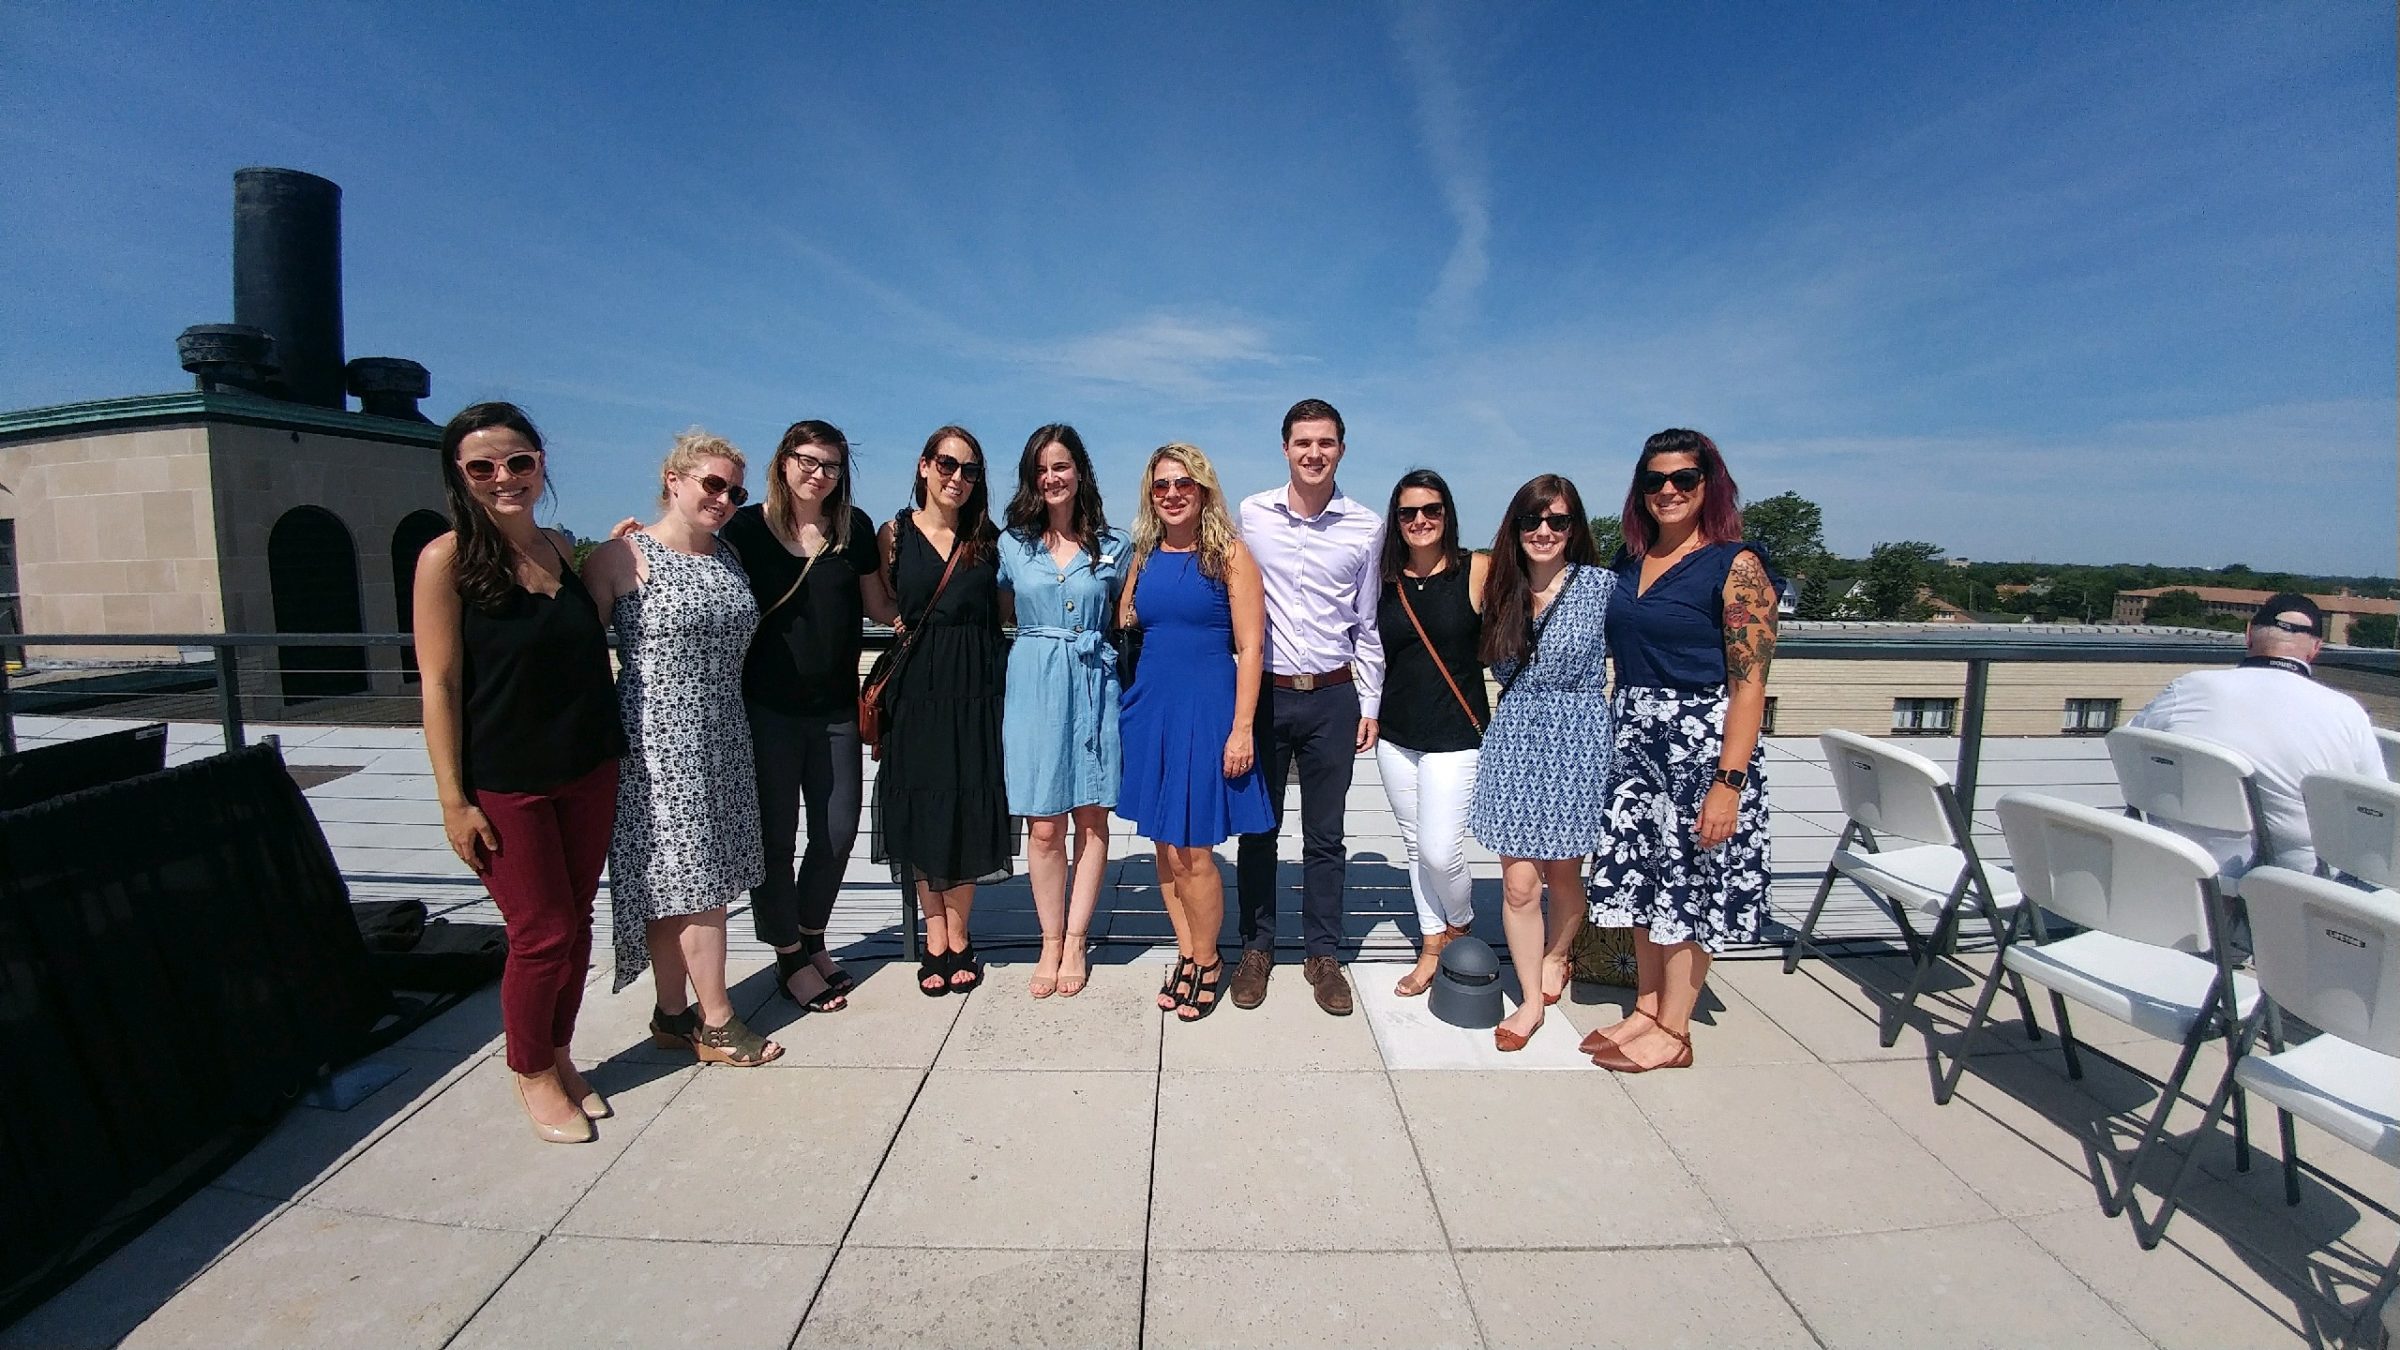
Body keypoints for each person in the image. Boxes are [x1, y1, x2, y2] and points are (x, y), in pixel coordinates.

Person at [415, 402, 625, 1143]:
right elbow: (438, 686)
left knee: (576, 927)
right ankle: (530, 1069)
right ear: (460, 477)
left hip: (589, 765)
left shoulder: (562, 549)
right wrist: (453, 801)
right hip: (507, 780)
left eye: (517, 462)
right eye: (482, 467)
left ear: (540, 465)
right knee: (539, 933)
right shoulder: (445, 561)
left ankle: (561, 1054)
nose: (503, 478)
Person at [582, 431, 779, 1067]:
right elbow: (570, 643)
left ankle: (672, 1013)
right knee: (693, 882)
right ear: (674, 480)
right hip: (657, 744)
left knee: (683, 880)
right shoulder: (620, 556)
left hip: (724, 732)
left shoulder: (729, 557)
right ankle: (716, 1019)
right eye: (712, 484)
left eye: (734, 490)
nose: (724, 498)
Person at [1584, 429, 1778, 1074]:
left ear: (1709, 485)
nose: (1668, 490)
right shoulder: (1630, 563)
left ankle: (1675, 1028)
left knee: (1692, 884)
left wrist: (1730, 781)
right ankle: (1645, 1008)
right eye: (1655, 480)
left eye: (1684, 479)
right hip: (1636, 736)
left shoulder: (1736, 564)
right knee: (1642, 879)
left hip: (1700, 743)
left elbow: (1750, 688)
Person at [719, 420, 898, 1012]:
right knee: (775, 838)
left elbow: (879, 604)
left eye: (830, 465)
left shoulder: (855, 528)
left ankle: (812, 935)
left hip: (834, 709)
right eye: (808, 461)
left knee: (837, 829)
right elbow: (691, 556)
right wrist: (641, 542)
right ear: (784, 460)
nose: (818, 474)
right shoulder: (745, 528)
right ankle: (789, 954)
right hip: (766, 708)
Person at [1233, 398, 1385, 1016]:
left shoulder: (1366, 526)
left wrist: (1369, 701)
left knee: (1326, 836)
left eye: (1325, 443)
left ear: (1341, 449)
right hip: (1266, 693)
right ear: (1285, 448)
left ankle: (1323, 955)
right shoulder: (1251, 514)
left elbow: (1367, 622)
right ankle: (1257, 949)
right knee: (1258, 831)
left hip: (1333, 696)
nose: (1314, 453)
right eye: (1303, 443)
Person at [1117, 444, 1274, 1021]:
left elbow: (1252, 647)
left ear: (1203, 489)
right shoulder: (1143, 554)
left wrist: (1242, 729)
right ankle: (1188, 954)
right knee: (1164, 843)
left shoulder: (1229, 555)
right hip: (1150, 710)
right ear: (1150, 495)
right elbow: (1127, 622)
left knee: (1195, 852)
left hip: (1207, 712)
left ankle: (1209, 960)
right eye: (1161, 486)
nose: (1172, 494)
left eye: (1184, 483)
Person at [1468, 476, 1616, 1052]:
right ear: (1516, 527)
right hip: (1515, 738)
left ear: (1575, 529)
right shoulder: (1498, 589)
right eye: (1533, 521)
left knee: (1564, 873)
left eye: (1558, 521)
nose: (1545, 532)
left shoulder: (1601, 587)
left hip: (1579, 739)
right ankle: (1530, 999)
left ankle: (1559, 955)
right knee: (1520, 883)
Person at [874, 426, 1011, 997]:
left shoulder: (988, 538)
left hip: (976, 689)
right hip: (918, 690)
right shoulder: (893, 534)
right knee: (925, 809)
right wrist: (897, 622)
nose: (958, 478)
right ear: (925, 466)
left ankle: (962, 935)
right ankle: (935, 940)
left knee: (969, 806)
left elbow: (1005, 607)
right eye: (948, 465)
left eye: (971, 470)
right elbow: (877, 599)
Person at [996, 424, 1129, 998]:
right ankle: (1049, 939)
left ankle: (1077, 938)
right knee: (1044, 825)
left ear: (1080, 473)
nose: (1052, 478)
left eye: (1062, 466)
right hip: (1034, 681)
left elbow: (1128, 616)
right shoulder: (1011, 545)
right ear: (1033, 477)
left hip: (1095, 683)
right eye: (1042, 469)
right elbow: (998, 606)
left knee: (1091, 816)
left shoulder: (1115, 545)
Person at [2128, 593, 2389, 873]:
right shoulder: (2346, 712)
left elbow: (2128, 745)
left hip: (2180, 870)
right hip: (2297, 887)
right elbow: (2376, 809)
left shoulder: (2187, 688)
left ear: (2249, 634)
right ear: (2315, 649)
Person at [1374, 469, 1491, 998]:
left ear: (1447, 515)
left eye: (1432, 510)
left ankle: (1460, 923)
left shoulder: (1477, 571)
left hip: (1457, 735)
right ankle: (1430, 943)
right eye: (1408, 513)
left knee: (1442, 851)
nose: (1420, 521)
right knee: (1414, 846)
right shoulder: (1384, 579)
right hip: (1396, 736)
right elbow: (1369, 652)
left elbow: (1514, 639)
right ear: (1395, 521)